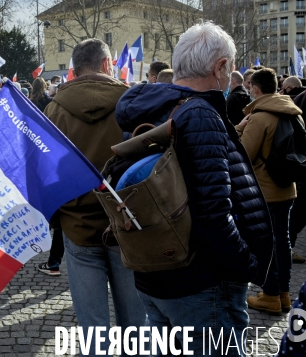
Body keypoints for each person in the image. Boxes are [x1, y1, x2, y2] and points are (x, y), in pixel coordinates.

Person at [115, 22, 273, 354]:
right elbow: (214, 213)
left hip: (155, 272)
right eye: (230, 70)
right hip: (201, 284)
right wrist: (247, 264)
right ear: (220, 68)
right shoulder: (200, 114)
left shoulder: (155, 108)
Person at [43, 38, 146, 356]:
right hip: (127, 225)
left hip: (78, 227)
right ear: (106, 64)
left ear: (74, 69)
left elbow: (47, 173)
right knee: (136, 325)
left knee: (93, 328)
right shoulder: (131, 101)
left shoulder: (54, 109)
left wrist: (57, 217)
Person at [236, 68, 300, 315]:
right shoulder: (292, 112)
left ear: (255, 88)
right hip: (287, 187)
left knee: (267, 244)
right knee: (283, 242)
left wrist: (239, 129)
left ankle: (271, 294)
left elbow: (244, 154)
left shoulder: (260, 117)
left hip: (265, 190)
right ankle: (283, 294)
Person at [289, 64, 306, 264]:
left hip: (304, 162)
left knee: (298, 213)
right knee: (300, 212)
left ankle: (287, 247)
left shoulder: (300, 99)